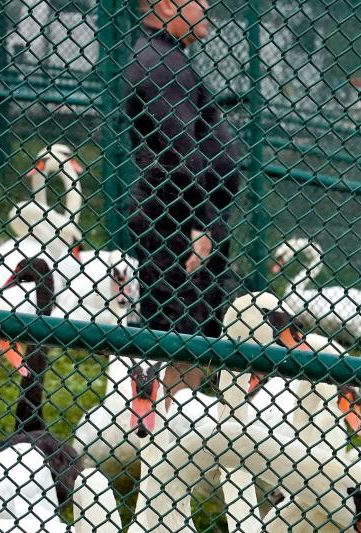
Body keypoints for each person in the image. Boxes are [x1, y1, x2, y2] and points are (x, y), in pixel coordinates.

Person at [126, 0, 242, 397]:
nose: (207, 6)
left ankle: (181, 428)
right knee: (180, 333)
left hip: (177, 215)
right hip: (174, 220)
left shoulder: (169, 58)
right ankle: (172, 437)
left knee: (194, 327)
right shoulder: (162, 63)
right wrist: (202, 221)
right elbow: (179, 150)